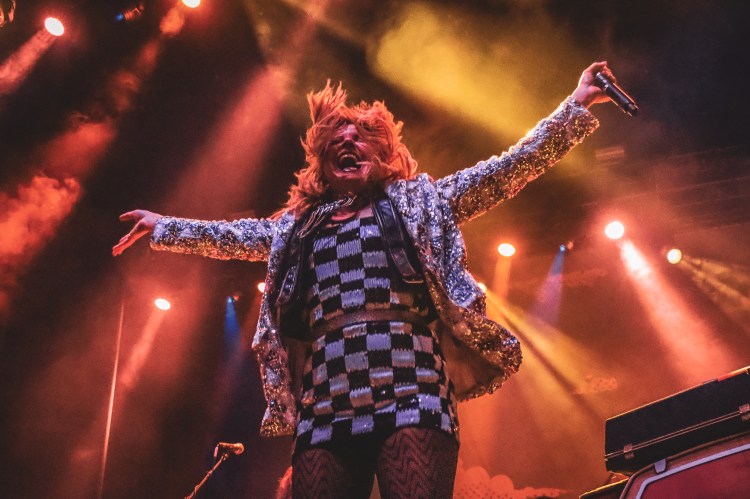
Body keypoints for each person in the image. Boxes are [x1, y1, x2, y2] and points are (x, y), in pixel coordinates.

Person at [113, 61, 615, 498]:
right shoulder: (297, 226)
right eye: (336, 141)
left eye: (359, 138)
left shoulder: (421, 201)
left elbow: (507, 168)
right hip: (326, 401)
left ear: (382, 154)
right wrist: (164, 226)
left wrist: (575, 105)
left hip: (413, 386)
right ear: (323, 163)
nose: (347, 142)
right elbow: (234, 236)